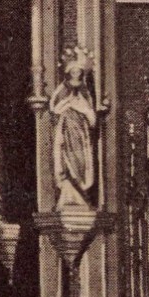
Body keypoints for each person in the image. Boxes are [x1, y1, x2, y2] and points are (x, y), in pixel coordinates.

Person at [49, 46, 98, 209]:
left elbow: (91, 115)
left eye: (79, 71)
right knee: (66, 161)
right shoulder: (62, 90)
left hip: (81, 133)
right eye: (73, 71)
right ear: (68, 72)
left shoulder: (84, 91)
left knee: (82, 161)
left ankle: (81, 192)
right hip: (66, 132)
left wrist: (82, 109)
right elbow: (54, 108)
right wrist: (67, 103)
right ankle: (69, 192)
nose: (76, 74)